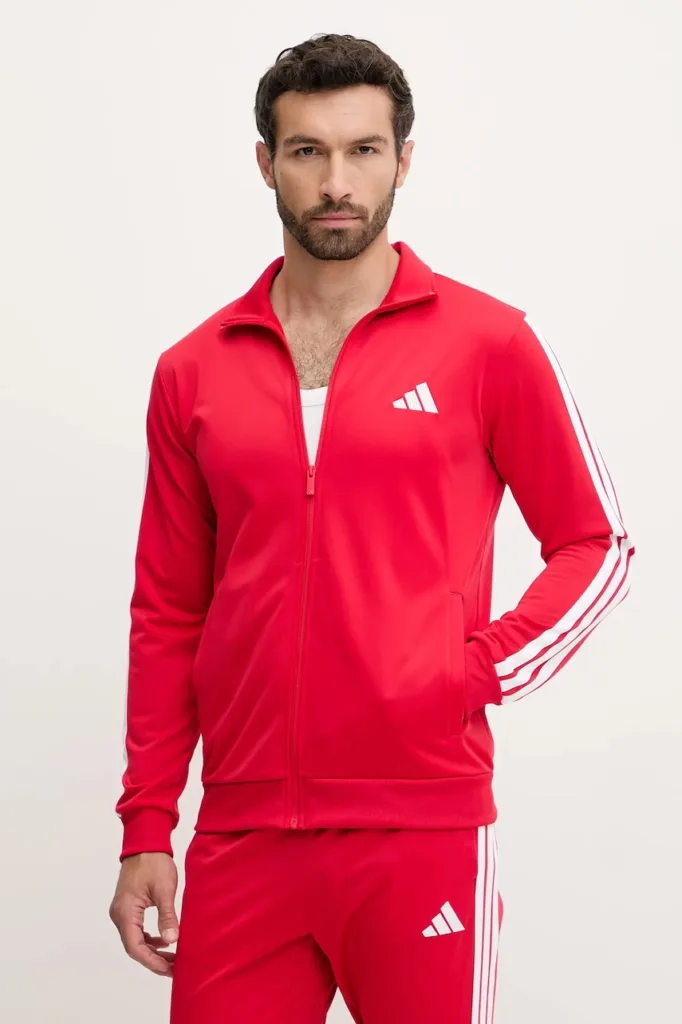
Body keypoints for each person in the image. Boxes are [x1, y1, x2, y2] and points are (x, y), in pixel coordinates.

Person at [109, 31, 635, 1024]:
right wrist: (146, 824)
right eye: (307, 151)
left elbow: (595, 544)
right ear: (265, 162)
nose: (336, 182)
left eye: (363, 150)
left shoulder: (487, 342)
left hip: (422, 825)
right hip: (243, 832)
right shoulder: (193, 370)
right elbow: (168, 612)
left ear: (404, 160)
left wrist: (472, 671)